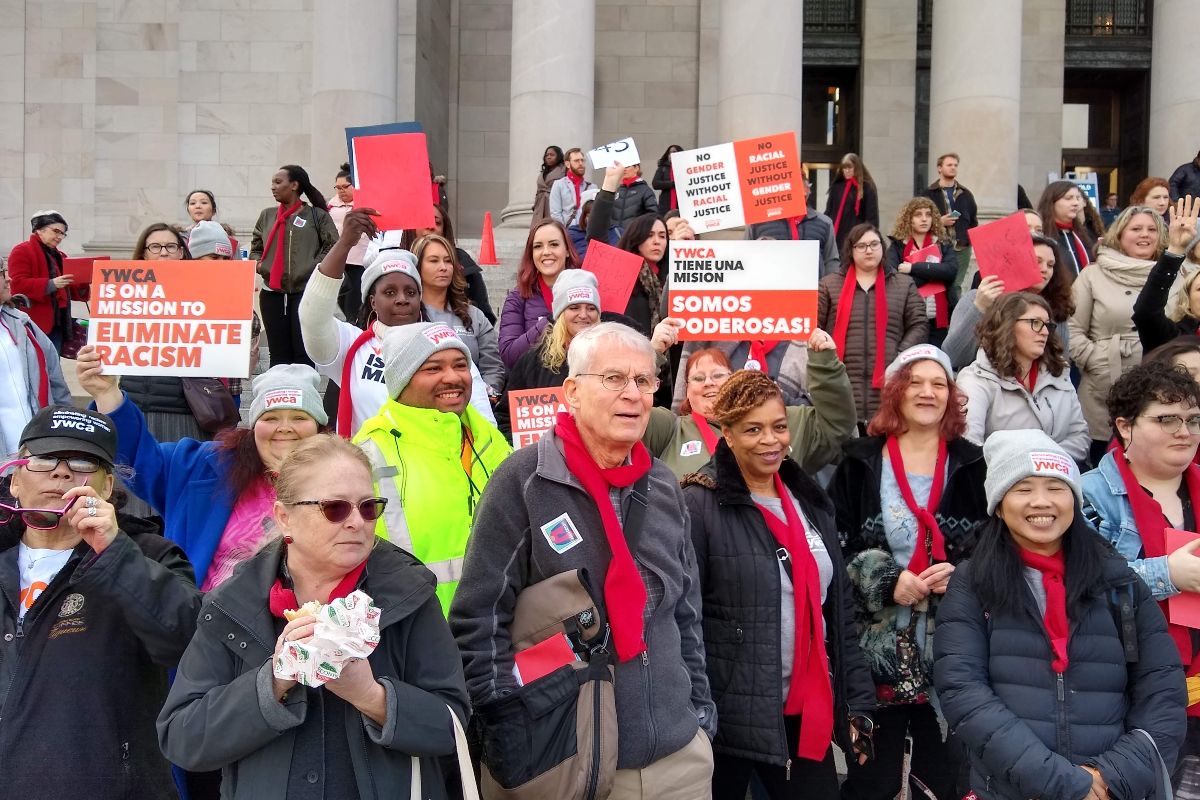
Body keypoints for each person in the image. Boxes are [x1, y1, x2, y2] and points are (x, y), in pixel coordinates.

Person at [450, 322, 717, 799]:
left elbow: (685, 611)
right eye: (614, 378)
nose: (633, 394)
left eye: (644, 380)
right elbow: (479, 619)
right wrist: (509, 734)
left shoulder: (662, 486)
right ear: (572, 391)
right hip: (565, 763)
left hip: (679, 760)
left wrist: (699, 712)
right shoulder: (524, 481)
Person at [157, 434, 471, 799]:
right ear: (284, 518)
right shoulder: (233, 605)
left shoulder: (409, 594)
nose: (357, 522)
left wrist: (372, 696)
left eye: (369, 507)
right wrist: (273, 682)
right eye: (335, 508)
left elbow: (452, 727)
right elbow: (182, 737)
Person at [935, 428, 1187, 800]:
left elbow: (1162, 690)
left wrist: (1110, 777)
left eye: (1056, 487)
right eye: (1023, 489)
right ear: (999, 505)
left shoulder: (1116, 579)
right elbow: (963, 693)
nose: (1042, 502)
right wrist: (1066, 784)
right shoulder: (973, 583)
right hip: (1011, 789)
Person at [681, 370, 874, 799]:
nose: (771, 440)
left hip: (805, 715)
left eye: (779, 426)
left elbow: (838, 613)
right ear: (727, 434)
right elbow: (684, 621)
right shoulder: (698, 505)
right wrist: (695, 713)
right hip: (726, 726)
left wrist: (856, 702)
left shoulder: (811, 503)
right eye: (753, 429)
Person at [0, 405, 202, 799]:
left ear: (108, 487)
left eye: (82, 462)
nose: (61, 472)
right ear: (15, 482)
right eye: (43, 460)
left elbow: (185, 638)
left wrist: (113, 551)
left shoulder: (150, 555)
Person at [828, 345, 986, 800]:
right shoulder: (860, 461)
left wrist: (963, 575)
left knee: (944, 780)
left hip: (950, 649)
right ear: (897, 391)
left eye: (939, 384)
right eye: (915, 382)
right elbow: (834, 545)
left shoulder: (974, 464)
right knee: (872, 781)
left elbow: (994, 545)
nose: (927, 392)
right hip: (873, 651)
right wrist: (883, 580)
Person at [75, 351, 327, 590]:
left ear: (318, 426)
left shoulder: (342, 479)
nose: (284, 428)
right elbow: (140, 461)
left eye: (299, 418)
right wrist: (107, 393)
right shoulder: (203, 465)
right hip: (204, 620)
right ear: (253, 427)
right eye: (271, 418)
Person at [353, 322, 511, 614]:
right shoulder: (366, 454)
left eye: (461, 365)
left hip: (498, 628)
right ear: (402, 380)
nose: (452, 377)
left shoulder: (490, 439)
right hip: (416, 632)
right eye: (433, 368)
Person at [301, 219, 496, 436]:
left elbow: (482, 420)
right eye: (390, 292)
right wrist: (345, 243)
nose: (402, 299)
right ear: (373, 302)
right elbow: (312, 317)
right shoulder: (352, 346)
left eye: (410, 292)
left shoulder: (446, 345)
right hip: (367, 466)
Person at [495, 270, 680, 438]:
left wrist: (653, 352)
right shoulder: (533, 361)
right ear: (559, 314)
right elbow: (505, 417)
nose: (583, 315)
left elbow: (648, 398)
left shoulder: (618, 352)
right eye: (574, 308)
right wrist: (524, 452)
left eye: (591, 308)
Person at [650, 330, 856, 480]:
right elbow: (623, 411)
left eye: (718, 375)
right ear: (686, 389)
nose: (709, 382)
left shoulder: (781, 423)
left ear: (735, 380)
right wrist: (652, 355)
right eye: (698, 378)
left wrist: (825, 363)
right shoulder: (670, 429)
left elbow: (836, 423)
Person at [1069, 205, 1168, 460]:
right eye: (1136, 229)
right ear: (1120, 234)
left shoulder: (1174, 273)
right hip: (1104, 385)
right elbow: (1072, 327)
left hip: (1163, 384)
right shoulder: (1093, 274)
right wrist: (1093, 358)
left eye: (1151, 229)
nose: (1144, 235)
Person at [956, 292, 1090, 462]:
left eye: (1048, 325)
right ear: (1008, 325)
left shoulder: (1059, 372)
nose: (1044, 332)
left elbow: (1080, 437)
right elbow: (969, 446)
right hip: (996, 483)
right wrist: (1026, 467)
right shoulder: (976, 379)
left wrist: (1047, 463)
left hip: (1059, 477)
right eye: (1035, 323)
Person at [817, 223, 927, 427]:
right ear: (851, 250)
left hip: (890, 381)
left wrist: (899, 355)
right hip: (841, 382)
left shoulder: (904, 284)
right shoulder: (829, 285)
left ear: (882, 249)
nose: (869, 250)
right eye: (862, 246)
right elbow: (815, 326)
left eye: (874, 244)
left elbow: (919, 324)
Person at [250, 164, 338, 367]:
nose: (272, 187)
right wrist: (262, 266)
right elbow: (256, 247)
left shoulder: (317, 215)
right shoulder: (267, 215)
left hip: (306, 293)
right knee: (278, 355)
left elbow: (333, 246)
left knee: (303, 354)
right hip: (272, 293)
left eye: (278, 182)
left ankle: (304, 396)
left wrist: (313, 267)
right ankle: (279, 395)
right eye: (272, 182)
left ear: (294, 185)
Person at [943, 234, 1074, 369]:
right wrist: (979, 308)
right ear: (1016, 261)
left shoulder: (1056, 308)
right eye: (1037, 261)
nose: (1045, 269)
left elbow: (1061, 367)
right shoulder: (976, 299)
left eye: (1051, 265)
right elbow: (952, 357)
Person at [413, 233, 505, 400]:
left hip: (474, 406)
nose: (443, 267)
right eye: (434, 261)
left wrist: (489, 393)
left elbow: (492, 366)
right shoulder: (407, 316)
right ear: (417, 266)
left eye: (448, 261)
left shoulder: (475, 315)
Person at [0, 263, 71, 454]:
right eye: (1, 273)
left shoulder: (22, 323)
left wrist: (65, 430)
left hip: (35, 451)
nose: (9, 278)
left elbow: (56, 383)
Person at [498, 218, 580, 369]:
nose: (546, 252)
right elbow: (509, 356)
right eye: (538, 246)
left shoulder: (585, 293)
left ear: (567, 250)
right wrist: (549, 320)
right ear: (531, 254)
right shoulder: (518, 298)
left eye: (554, 244)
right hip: (536, 386)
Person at [401, 202, 496, 323]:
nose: (431, 226)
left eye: (437, 222)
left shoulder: (465, 265)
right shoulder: (397, 265)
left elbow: (485, 315)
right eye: (424, 220)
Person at [885, 197, 959, 347]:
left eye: (928, 214)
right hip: (908, 317)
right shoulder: (897, 247)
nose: (924, 219)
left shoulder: (943, 244)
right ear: (909, 219)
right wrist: (934, 274)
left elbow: (950, 271)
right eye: (918, 215)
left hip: (938, 318)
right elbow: (895, 279)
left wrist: (913, 268)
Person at [7, 210, 82, 352]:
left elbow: (72, 290)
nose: (60, 237)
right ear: (40, 230)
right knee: (36, 367)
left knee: (53, 368)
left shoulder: (60, 256)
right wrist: (51, 284)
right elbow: (16, 285)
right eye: (56, 231)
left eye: (63, 234)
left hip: (57, 324)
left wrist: (82, 281)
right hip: (33, 323)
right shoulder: (22, 251)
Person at [1133, 195, 1200, 354]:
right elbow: (1146, 313)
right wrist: (1175, 250)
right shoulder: (1172, 338)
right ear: (1187, 301)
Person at [746, 177, 840, 278]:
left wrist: (827, 290)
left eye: (804, 189)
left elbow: (831, 261)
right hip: (770, 288)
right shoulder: (757, 223)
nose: (802, 194)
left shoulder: (824, 222)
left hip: (813, 290)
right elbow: (744, 258)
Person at [922, 152, 978, 290]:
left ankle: (954, 311)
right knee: (938, 284)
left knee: (956, 285)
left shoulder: (965, 193)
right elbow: (918, 220)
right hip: (938, 245)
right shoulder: (929, 193)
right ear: (939, 168)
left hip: (961, 247)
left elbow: (973, 220)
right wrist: (939, 222)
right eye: (949, 165)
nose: (953, 168)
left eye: (955, 165)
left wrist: (968, 239)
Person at [326, 163, 370, 323]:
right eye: (337, 187)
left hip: (359, 263)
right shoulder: (330, 206)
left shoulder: (366, 205)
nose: (341, 190)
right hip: (339, 262)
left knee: (354, 307)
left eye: (345, 186)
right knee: (341, 303)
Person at [823, 153, 880, 251]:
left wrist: (866, 238)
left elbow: (872, 217)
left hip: (856, 237)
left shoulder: (867, 187)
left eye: (850, 167)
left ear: (857, 168)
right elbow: (828, 211)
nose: (847, 171)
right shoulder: (836, 187)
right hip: (837, 236)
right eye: (844, 168)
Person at [1037, 180, 1095, 275]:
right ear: (1052, 202)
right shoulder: (1042, 235)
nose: (1076, 203)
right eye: (1069, 198)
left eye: (1077, 198)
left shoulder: (1083, 234)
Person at [184, 188, 238, 253]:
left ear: (213, 210)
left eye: (204, 202)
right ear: (188, 210)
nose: (198, 206)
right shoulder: (182, 238)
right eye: (193, 203)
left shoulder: (227, 238)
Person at [549, 146, 593, 226]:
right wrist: (564, 232)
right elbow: (555, 214)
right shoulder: (558, 185)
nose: (580, 163)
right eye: (576, 161)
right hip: (568, 231)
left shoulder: (592, 187)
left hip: (586, 232)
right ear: (567, 164)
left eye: (582, 160)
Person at [610, 163, 659, 229]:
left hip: (634, 235)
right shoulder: (617, 190)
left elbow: (652, 214)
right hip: (616, 235)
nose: (624, 169)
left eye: (627, 166)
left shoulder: (645, 190)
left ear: (636, 168)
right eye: (622, 167)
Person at [532, 144, 565, 223]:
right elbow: (538, 191)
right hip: (539, 207)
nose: (549, 157)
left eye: (552, 155)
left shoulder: (563, 170)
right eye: (547, 155)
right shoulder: (543, 173)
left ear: (559, 156)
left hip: (553, 205)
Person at [652, 144, 683, 212]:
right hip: (665, 205)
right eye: (670, 152)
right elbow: (655, 184)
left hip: (682, 205)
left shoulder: (684, 168)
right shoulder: (663, 168)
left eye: (674, 152)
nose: (671, 154)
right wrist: (672, 184)